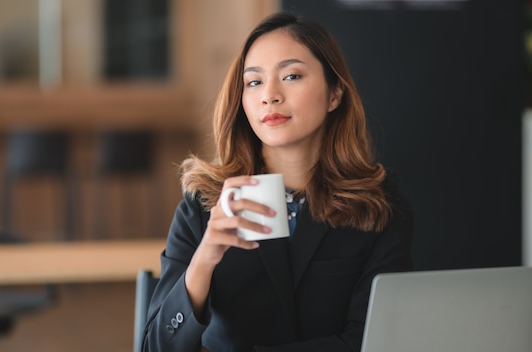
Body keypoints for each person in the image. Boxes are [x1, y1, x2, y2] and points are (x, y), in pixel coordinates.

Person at [142, 11, 413, 352]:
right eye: (254, 82)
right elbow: (155, 346)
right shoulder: (205, 203)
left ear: (335, 94)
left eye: (292, 76)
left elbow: (372, 342)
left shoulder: (379, 205)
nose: (269, 95)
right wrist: (204, 260)